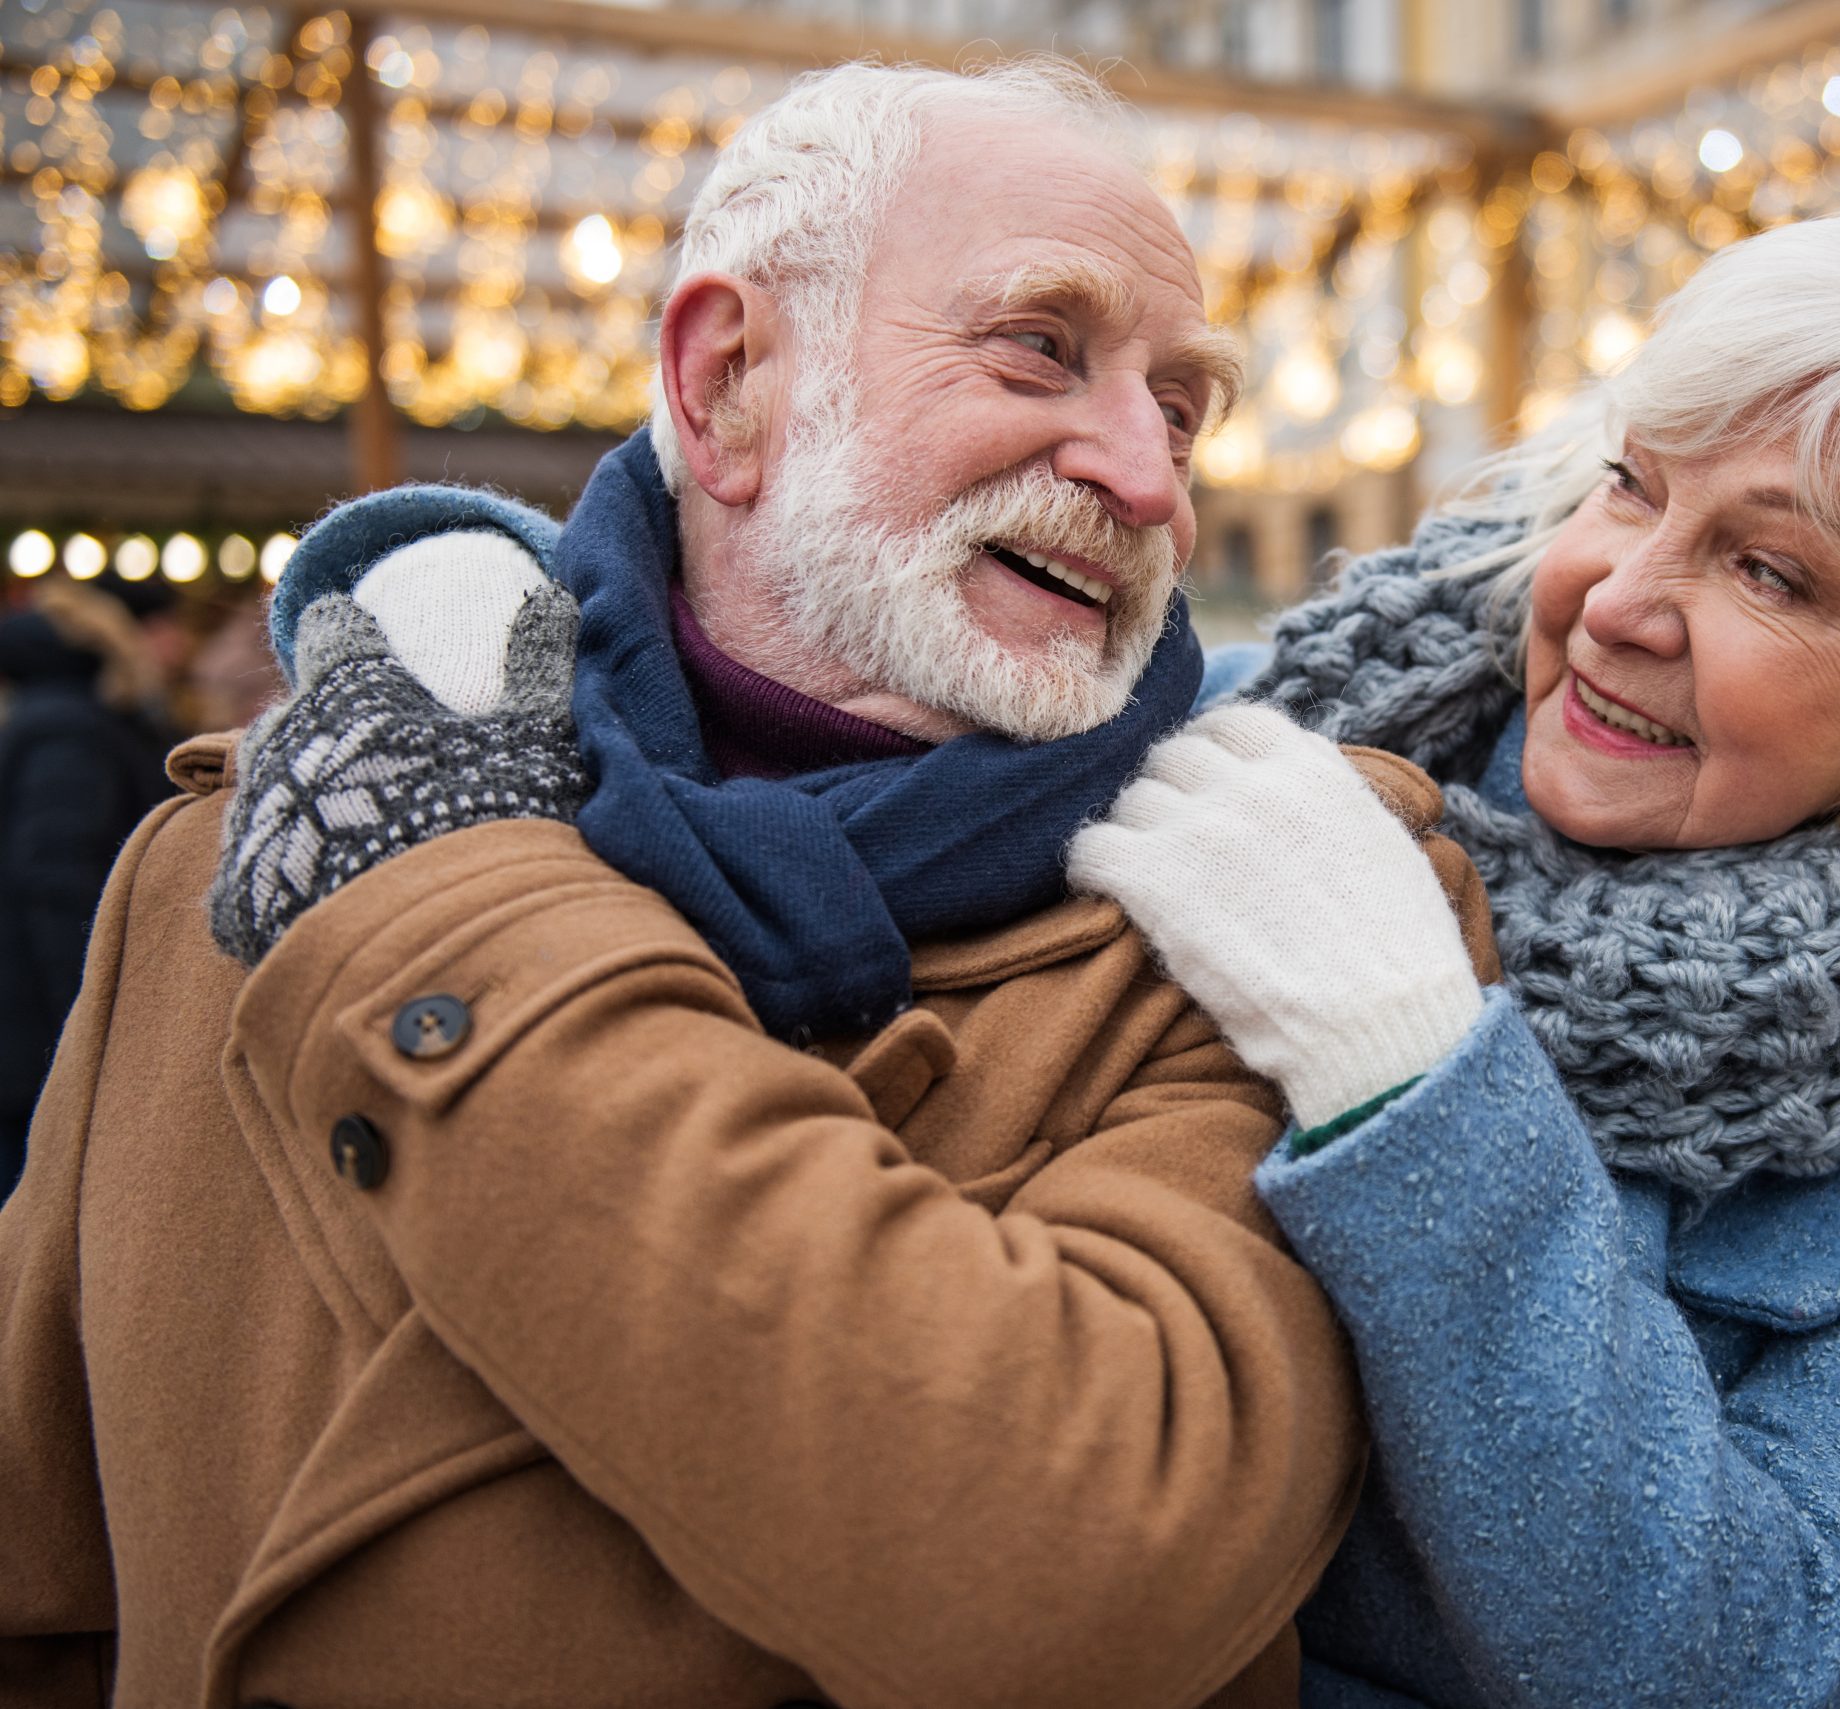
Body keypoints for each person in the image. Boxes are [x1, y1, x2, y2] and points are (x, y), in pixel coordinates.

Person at [0, 59, 1496, 1708]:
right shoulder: (233, 852)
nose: (1149, 476)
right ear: (725, 384)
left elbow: (1069, 1563)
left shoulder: (1283, 901)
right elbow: (46, 1562)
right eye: (1043, 348)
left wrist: (448, 895)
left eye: (1185, 409)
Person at [1067, 205, 1840, 1708]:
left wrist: (1415, 1083)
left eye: (1772, 574)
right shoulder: (1260, 733)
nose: (1617, 603)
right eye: (1629, 486)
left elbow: (1784, 1669)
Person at [0, 585, 176, 1196]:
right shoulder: (72, 730)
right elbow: (56, 881)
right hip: (37, 1023)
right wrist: (82, 1018)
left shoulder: (45, 715)